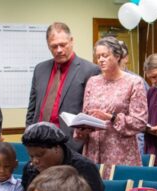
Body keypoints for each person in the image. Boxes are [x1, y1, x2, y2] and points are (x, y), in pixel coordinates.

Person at [75, 37, 148, 178]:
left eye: (105, 56)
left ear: (117, 56)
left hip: (120, 151)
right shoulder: (93, 82)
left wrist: (112, 118)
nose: (100, 60)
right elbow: (86, 113)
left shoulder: (134, 82)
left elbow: (140, 122)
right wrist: (81, 127)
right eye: (98, 57)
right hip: (94, 149)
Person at [26, 22, 101, 152]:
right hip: (39, 142)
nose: (59, 50)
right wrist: (30, 132)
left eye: (63, 45)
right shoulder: (40, 69)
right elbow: (32, 107)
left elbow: (92, 113)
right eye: (54, 46)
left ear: (71, 41)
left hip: (70, 144)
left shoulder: (90, 70)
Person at [20, 122, 105, 191]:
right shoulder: (30, 168)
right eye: (31, 156)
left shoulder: (84, 168)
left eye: (40, 155)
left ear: (57, 148)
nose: (35, 161)